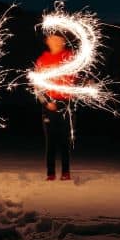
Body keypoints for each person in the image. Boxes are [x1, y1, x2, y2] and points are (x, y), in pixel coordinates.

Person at [35, 31, 76, 181]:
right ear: (47, 41)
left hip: (66, 104)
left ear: (64, 41)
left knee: (65, 141)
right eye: (53, 39)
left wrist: (87, 81)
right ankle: (50, 173)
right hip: (48, 105)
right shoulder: (42, 60)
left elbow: (79, 76)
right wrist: (46, 102)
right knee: (50, 142)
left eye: (59, 39)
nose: (56, 42)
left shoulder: (71, 57)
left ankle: (66, 172)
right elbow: (37, 86)